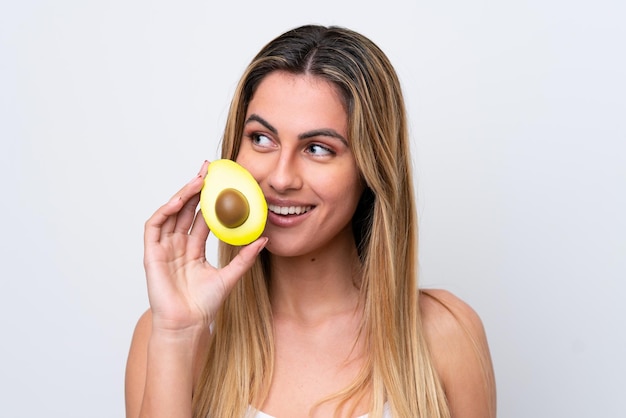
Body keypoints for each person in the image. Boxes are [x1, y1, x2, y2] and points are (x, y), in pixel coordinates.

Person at [124, 24, 496, 418]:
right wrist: (177, 335)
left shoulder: (445, 334)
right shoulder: (168, 332)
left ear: (371, 170)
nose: (281, 177)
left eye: (317, 148)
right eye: (262, 139)